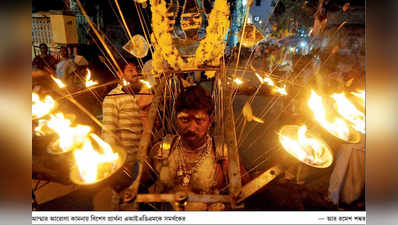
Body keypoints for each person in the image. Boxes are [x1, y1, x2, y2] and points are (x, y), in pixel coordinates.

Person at [146, 86, 249, 210]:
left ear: (210, 121)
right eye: (184, 119)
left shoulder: (223, 155)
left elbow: (246, 192)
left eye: (199, 120)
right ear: (175, 118)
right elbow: (139, 184)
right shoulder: (161, 150)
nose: (191, 128)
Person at [101, 61, 145, 209]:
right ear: (120, 74)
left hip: (140, 156)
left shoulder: (140, 95)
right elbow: (108, 132)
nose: (135, 73)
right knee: (123, 198)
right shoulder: (112, 98)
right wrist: (115, 163)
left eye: (136, 70)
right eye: (130, 70)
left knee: (136, 195)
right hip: (124, 159)